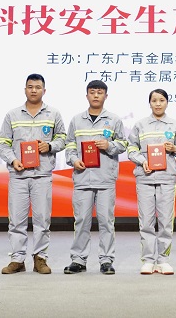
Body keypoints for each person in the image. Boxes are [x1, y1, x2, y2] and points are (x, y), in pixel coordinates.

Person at [0, 73, 67, 275]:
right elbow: (2, 143)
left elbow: (63, 139)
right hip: (18, 175)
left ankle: (40, 258)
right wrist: (13, 160)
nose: (34, 90)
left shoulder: (53, 114)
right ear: (25, 89)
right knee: (16, 220)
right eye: (30, 87)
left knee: (42, 219)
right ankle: (17, 259)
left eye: (37, 87)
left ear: (44, 90)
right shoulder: (12, 115)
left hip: (42, 175)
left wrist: (49, 146)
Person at [63, 79, 127, 275]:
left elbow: (123, 144)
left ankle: (106, 260)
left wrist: (109, 145)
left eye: (100, 92)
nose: (96, 95)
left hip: (105, 178)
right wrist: (74, 160)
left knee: (106, 221)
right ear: (87, 95)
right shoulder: (76, 120)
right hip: (82, 177)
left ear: (106, 96)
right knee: (81, 220)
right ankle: (78, 259)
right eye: (92, 92)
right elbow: (69, 145)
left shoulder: (114, 120)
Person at [127, 88, 176, 275]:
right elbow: (131, 148)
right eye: (154, 100)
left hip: (167, 178)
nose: (158, 104)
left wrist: (174, 148)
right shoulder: (140, 125)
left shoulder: (174, 125)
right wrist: (142, 161)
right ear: (150, 103)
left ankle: (163, 260)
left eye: (161, 100)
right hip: (145, 178)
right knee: (146, 221)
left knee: (166, 222)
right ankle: (147, 260)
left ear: (167, 102)